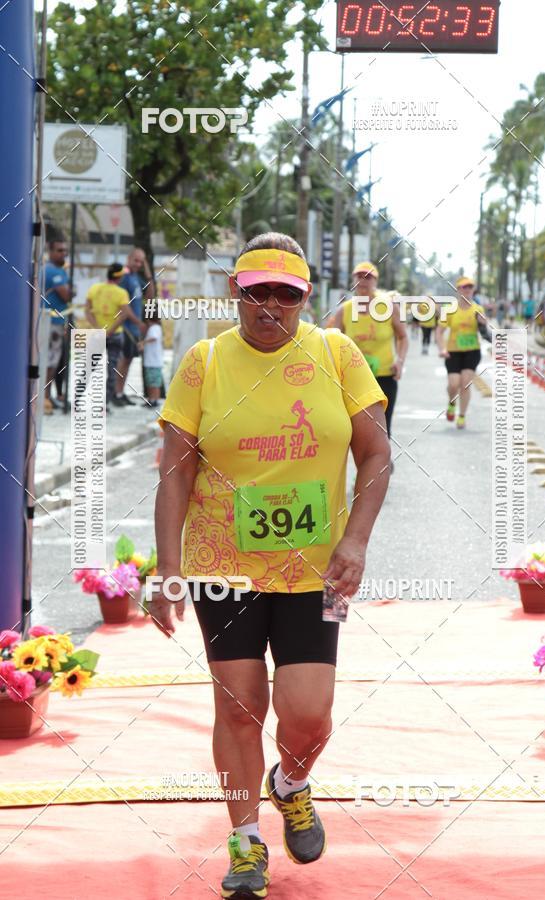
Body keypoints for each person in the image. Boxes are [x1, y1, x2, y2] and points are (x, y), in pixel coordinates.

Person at [151, 232, 390, 900]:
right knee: (239, 708)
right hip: (220, 565)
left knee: (309, 714)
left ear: (305, 299)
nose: (271, 306)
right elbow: (175, 472)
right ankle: (245, 843)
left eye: (287, 294)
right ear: (237, 291)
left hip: (322, 569)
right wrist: (167, 568)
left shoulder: (336, 354)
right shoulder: (202, 363)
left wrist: (357, 541)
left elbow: (379, 454)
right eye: (258, 291)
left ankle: (289, 783)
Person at [331, 261, 408, 444]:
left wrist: (400, 361)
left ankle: (381, 465)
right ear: (353, 280)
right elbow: (332, 342)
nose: (363, 281)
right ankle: (366, 468)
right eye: (359, 276)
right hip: (353, 379)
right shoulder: (345, 310)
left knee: (382, 427)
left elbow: (403, 337)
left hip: (383, 376)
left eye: (368, 277)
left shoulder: (388, 308)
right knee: (355, 430)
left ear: (376, 281)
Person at [86, 263, 145, 409]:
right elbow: (124, 314)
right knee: (112, 370)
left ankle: (76, 400)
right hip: (115, 336)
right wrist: (111, 330)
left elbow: (88, 310)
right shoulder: (121, 293)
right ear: (119, 277)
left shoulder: (94, 288)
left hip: (96, 334)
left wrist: (98, 328)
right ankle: (103, 405)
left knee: (88, 367)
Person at [436, 276, 489, 430]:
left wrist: (482, 322)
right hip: (453, 352)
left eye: (470, 287)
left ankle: (462, 416)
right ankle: (451, 402)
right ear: (458, 290)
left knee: (465, 384)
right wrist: (442, 349)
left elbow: (485, 330)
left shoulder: (478, 309)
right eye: (464, 287)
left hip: (472, 351)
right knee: (453, 384)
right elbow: (439, 332)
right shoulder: (450, 309)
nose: (467, 290)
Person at [114, 247, 154, 405]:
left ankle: (120, 392)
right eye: (136, 260)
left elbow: (150, 295)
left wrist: (148, 272)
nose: (138, 264)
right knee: (122, 360)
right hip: (124, 326)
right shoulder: (123, 277)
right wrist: (138, 322)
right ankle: (115, 393)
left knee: (128, 360)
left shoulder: (137, 277)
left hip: (134, 327)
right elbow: (122, 304)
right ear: (129, 259)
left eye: (141, 261)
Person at [42, 239, 73, 414]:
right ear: (51, 252)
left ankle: (48, 395)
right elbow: (66, 295)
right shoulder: (54, 271)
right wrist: (71, 291)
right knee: (51, 361)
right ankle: (45, 396)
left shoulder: (56, 270)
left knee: (53, 361)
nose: (64, 253)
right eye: (60, 250)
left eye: (65, 250)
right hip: (52, 323)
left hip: (55, 321)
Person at [140, 306, 163, 408]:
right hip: (150, 361)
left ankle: (155, 400)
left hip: (155, 362)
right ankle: (150, 399)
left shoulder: (155, 328)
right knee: (150, 382)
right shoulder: (153, 328)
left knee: (154, 383)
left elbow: (154, 338)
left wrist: (143, 343)